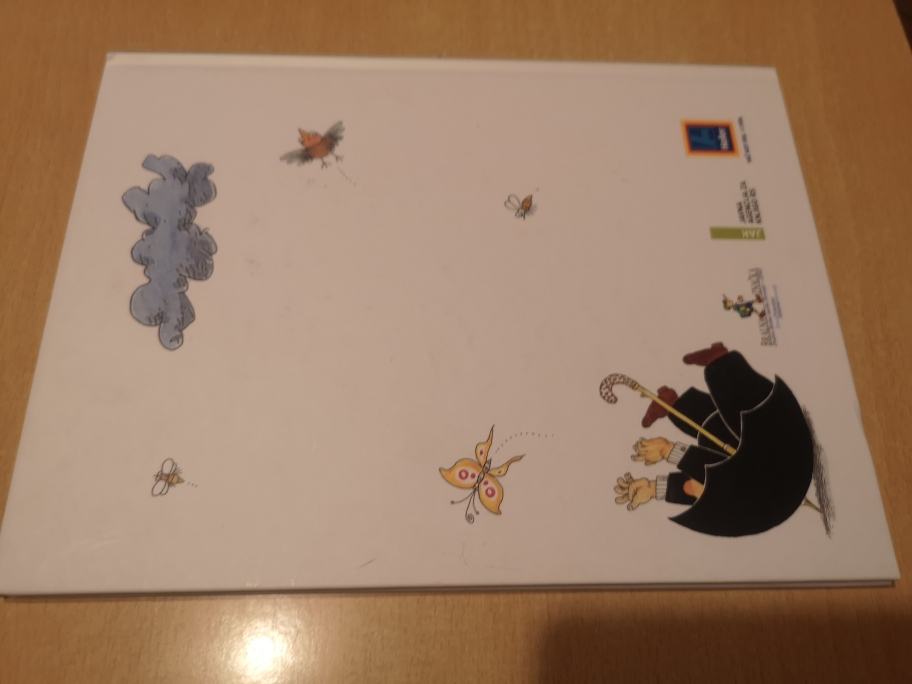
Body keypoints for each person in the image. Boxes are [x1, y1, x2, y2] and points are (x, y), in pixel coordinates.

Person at [612, 343, 815, 536]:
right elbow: (713, 481)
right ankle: (718, 363)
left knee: (720, 439)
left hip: (764, 465)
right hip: (776, 442)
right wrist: (668, 452)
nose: (692, 487)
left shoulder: (740, 503)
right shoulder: (759, 494)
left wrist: (653, 487)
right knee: (741, 425)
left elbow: (705, 484)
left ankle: (678, 400)